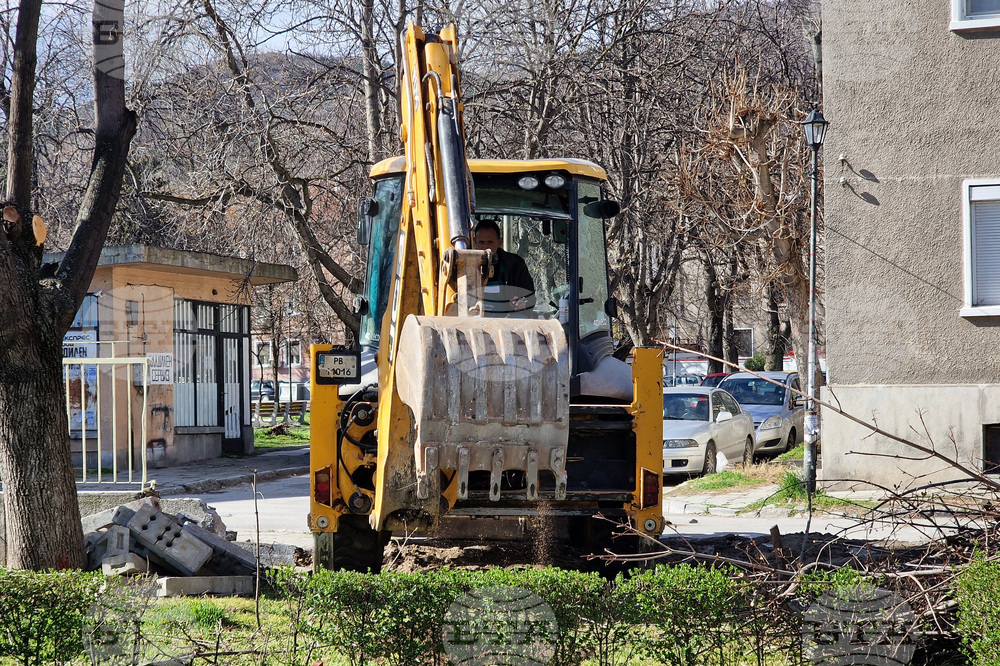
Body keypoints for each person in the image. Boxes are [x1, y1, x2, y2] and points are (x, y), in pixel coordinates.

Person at [472, 219, 536, 314]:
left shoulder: (515, 264)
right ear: (474, 241)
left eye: (490, 242)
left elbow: (529, 297)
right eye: (481, 242)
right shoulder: (464, 265)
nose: (485, 247)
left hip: (508, 321)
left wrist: (522, 303)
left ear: (499, 242)